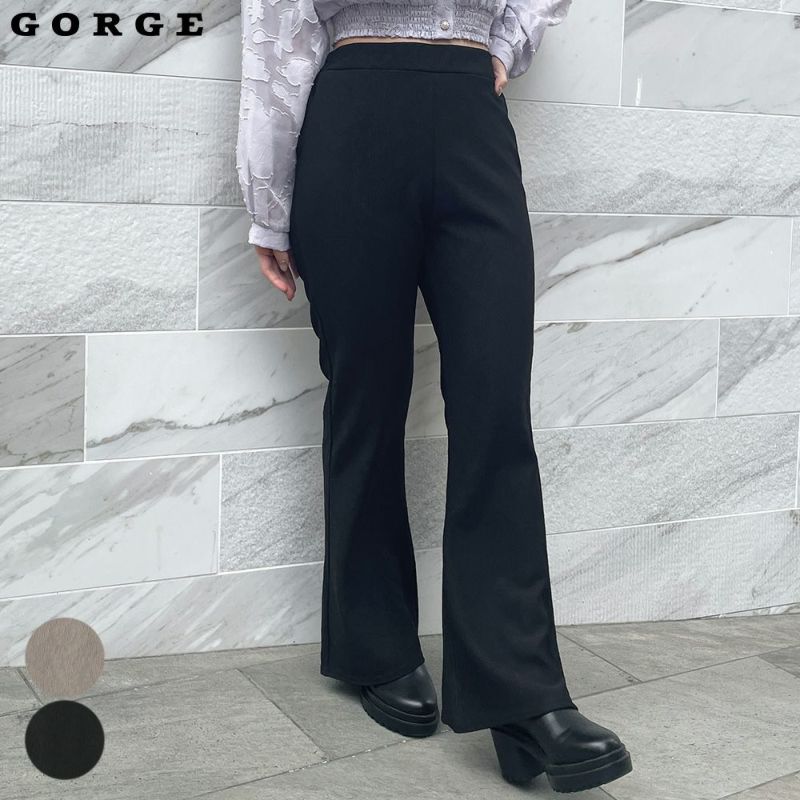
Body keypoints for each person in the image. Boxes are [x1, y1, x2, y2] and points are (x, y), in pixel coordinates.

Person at [236, 0, 633, 791]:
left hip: (471, 114)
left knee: (496, 405)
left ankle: (523, 696)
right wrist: (268, 208)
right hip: (352, 110)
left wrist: (506, 42)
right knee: (367, 396)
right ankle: (372, 646)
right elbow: (276, 30)